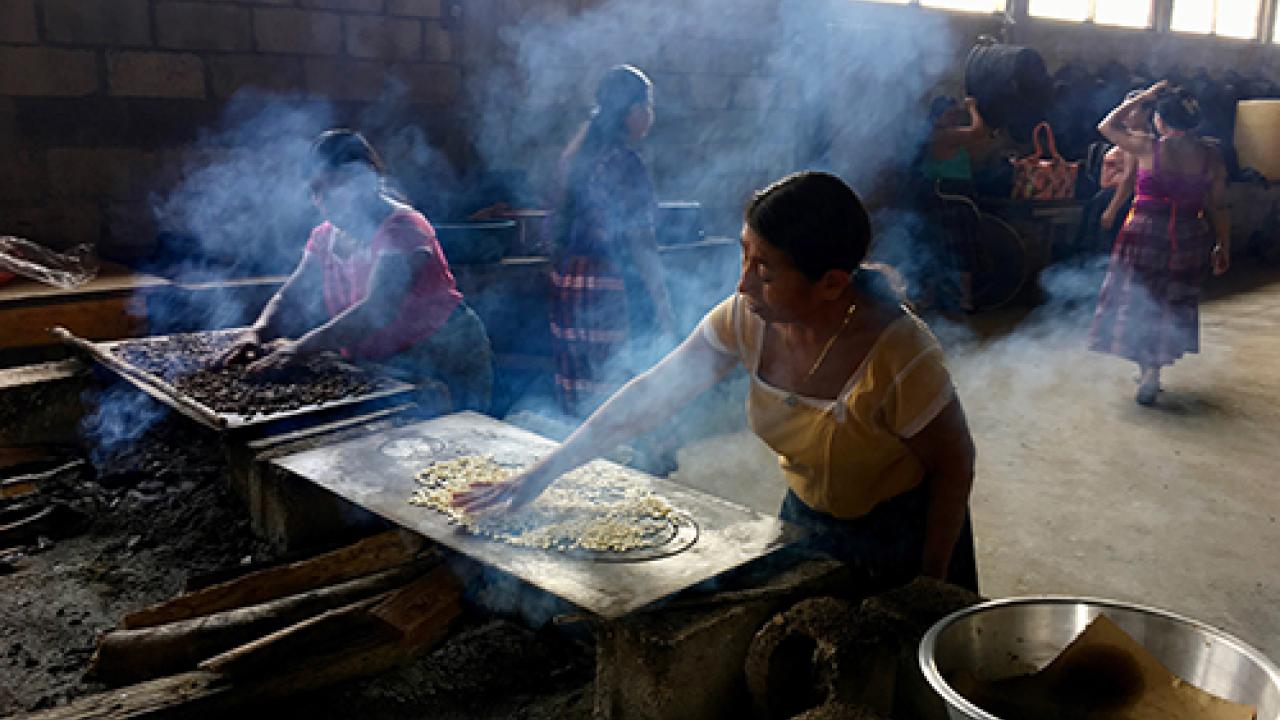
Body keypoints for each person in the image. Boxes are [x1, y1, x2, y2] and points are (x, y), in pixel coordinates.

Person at [458, 171, 979, 592]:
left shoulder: (901, 355)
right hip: (807, 518)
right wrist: (543, 473)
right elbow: (650, 394)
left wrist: (930, 580)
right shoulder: (747, 318)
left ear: (832, 284)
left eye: (766, 270)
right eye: (744, 254)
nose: (743, 282)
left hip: (905, 534)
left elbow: (954, 465)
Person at [216, 129, 493, 413]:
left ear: (367, 179)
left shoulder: (403, 228)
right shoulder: (325, 236)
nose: (325, 201)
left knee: (458, 446)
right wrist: (258, 331)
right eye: (317, 191)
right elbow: (290, 295)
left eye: (336, 187)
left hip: (441, 354)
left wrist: (299, 349)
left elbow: (376, 310)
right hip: (382, 361)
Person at [547, 64, 679, 417]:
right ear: (631, 111)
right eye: (647, 106)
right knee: (614, 383)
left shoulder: (578, 155)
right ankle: (620, 458)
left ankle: (581, 456)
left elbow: (557, 218)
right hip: (606, 284)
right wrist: (662, 300)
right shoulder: (625, 162)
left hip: (569, 279)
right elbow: (641, 239)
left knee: (580, 383)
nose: (650, 116)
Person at [1091, 82, 1230, 406]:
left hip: (1145, 234)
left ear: (1161, 120)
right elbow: (1218, 206)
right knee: (1169, 304)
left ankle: (1149, 370)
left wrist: (1144, 95)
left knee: (1142, 302)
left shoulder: (1147, 147)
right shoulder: (1210, 156)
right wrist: (1223, 244)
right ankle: (1153, 368)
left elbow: (1106, 125)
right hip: (1188, 236)